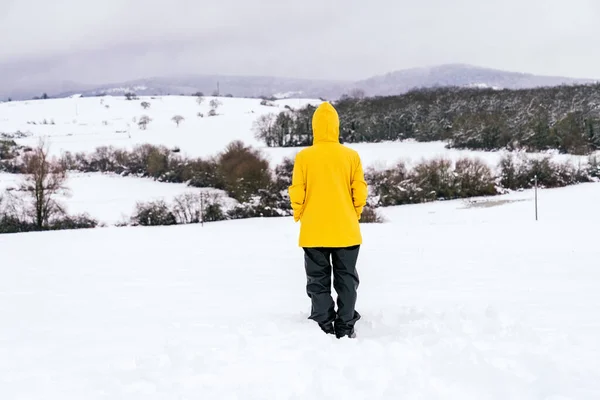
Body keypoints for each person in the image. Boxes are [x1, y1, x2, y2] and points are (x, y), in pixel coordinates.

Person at [288, 101, 368, 339]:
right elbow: (360, 191)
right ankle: (345, 326)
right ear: (336, 126)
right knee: (346, 279)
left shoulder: (304, 156)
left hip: (314, 230)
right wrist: (355, 213)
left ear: (315, 127)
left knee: (318, 280)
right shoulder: (351, 156)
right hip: (346, 230)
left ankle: (323, 324)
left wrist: (299, 212)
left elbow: (297, 191)